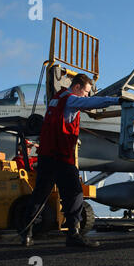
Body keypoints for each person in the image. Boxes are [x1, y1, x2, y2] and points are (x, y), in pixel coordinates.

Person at [21, 73, 122, 247]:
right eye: (86, 92)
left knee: (39, 194)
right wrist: (117, 101)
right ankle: (73, 235)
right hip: (61, 157)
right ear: (76, 87)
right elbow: (90, 103)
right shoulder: (70, 99)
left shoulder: (56, 99)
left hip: (46, 157)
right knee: (75, 194)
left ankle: (26, 233)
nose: (86, 96)